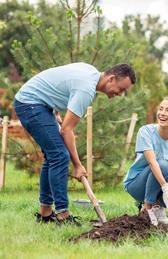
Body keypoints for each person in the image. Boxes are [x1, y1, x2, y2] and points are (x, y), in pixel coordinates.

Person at [14, 62, 136, 225]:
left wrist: (55, 110)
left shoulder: (91, 72)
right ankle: (62, 215)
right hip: (31, 104)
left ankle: (45, 214)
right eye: (121, 89)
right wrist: (78, 166)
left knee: (53, 157)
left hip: (39, 104)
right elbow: (67, 130)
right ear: (111, 78)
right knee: (59, 155)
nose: (120, 94)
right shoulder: (86, 89)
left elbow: (59, 82)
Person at [123, 96, 168, 226]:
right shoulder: (146, 131)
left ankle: (158, 208)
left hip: (158, 184)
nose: (162, 113)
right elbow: (152, 162)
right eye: (160, 109)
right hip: (137, 184)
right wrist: (165, 186)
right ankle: (147, 208)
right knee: (163, 164)